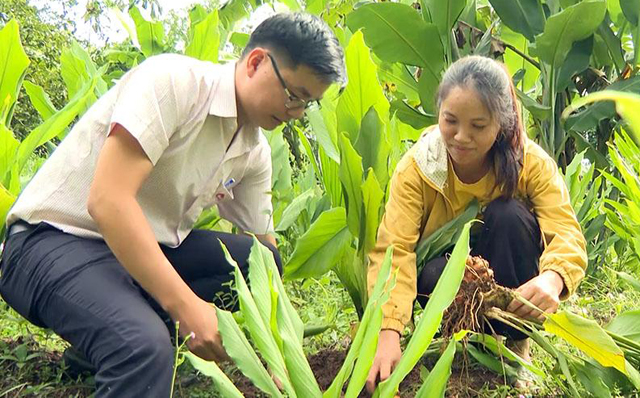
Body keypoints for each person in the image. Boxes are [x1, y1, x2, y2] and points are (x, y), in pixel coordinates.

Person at [0, 12, 345, 397]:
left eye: (308, 104)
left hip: (136, 252)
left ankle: (97, 345)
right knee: (142, 348)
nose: (296, 113)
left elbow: (265, 253)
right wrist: (187, 308)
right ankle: (130, 340)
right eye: (294, 95)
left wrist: (279, 350)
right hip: (51, 243)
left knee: (259, 261)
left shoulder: (254, 150)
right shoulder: (173, 83)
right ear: (256, 62)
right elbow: (108, 200)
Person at [365, 55, 587, 393]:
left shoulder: (530, 162)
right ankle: (459, 344)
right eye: (450, 120)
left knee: (509, 215)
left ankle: (513, 348)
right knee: (437, 273)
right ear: (438, 113)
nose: (461, 137)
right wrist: (388, 330)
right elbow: (395, 249)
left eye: (478, 126)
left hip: (509, 288)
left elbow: (566, 230)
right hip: (444, 282)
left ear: (501, 125)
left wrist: (554, 279)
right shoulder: (419, 168)